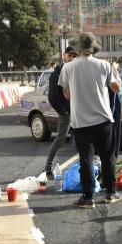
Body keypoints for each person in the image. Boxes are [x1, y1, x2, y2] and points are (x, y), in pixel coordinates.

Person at [59, 32, 122, 208]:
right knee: (107, 157)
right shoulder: (103, 65)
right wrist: (114, 70)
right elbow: (117, 89)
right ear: (93, 48)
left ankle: (87, 197)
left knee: (85, 160)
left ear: (78, 49)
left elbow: (66, 94)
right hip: (103, 120)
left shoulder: (68, 67)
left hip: (80, 122)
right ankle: (111, 192)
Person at [44, 46, 77, 180]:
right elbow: (52, 97)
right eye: (69, 56)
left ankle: (88, 168)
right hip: (67, 112)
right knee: (60, 139)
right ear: (64, 56)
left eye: (74, 56)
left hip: (78, 111)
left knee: (85, 138)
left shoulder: (76, 71)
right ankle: (48, 168)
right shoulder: (56, 74)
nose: (71, 58)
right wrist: (63, 112)